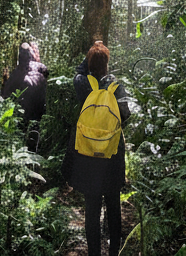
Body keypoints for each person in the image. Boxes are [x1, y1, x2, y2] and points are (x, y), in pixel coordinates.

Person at [71, 41, 132, 256]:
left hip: (88, 156)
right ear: (107, 64)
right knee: (114, 206)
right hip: (112, 154)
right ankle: (114, 251)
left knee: (92, 207)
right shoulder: (116, 86)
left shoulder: (81, 83)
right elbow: (126, 114)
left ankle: (94, 253)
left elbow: (79, 71)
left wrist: (91, 54)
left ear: (88, 64)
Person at [0, 42, 48, 152]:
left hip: (26, 109)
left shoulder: (17, 73)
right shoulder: (39, 67)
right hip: (39, 107)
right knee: (35, 129)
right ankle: (32, 155)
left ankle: (25, 156)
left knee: (23, 130)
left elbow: (5, 95)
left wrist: (4, 84)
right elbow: (46, 72)